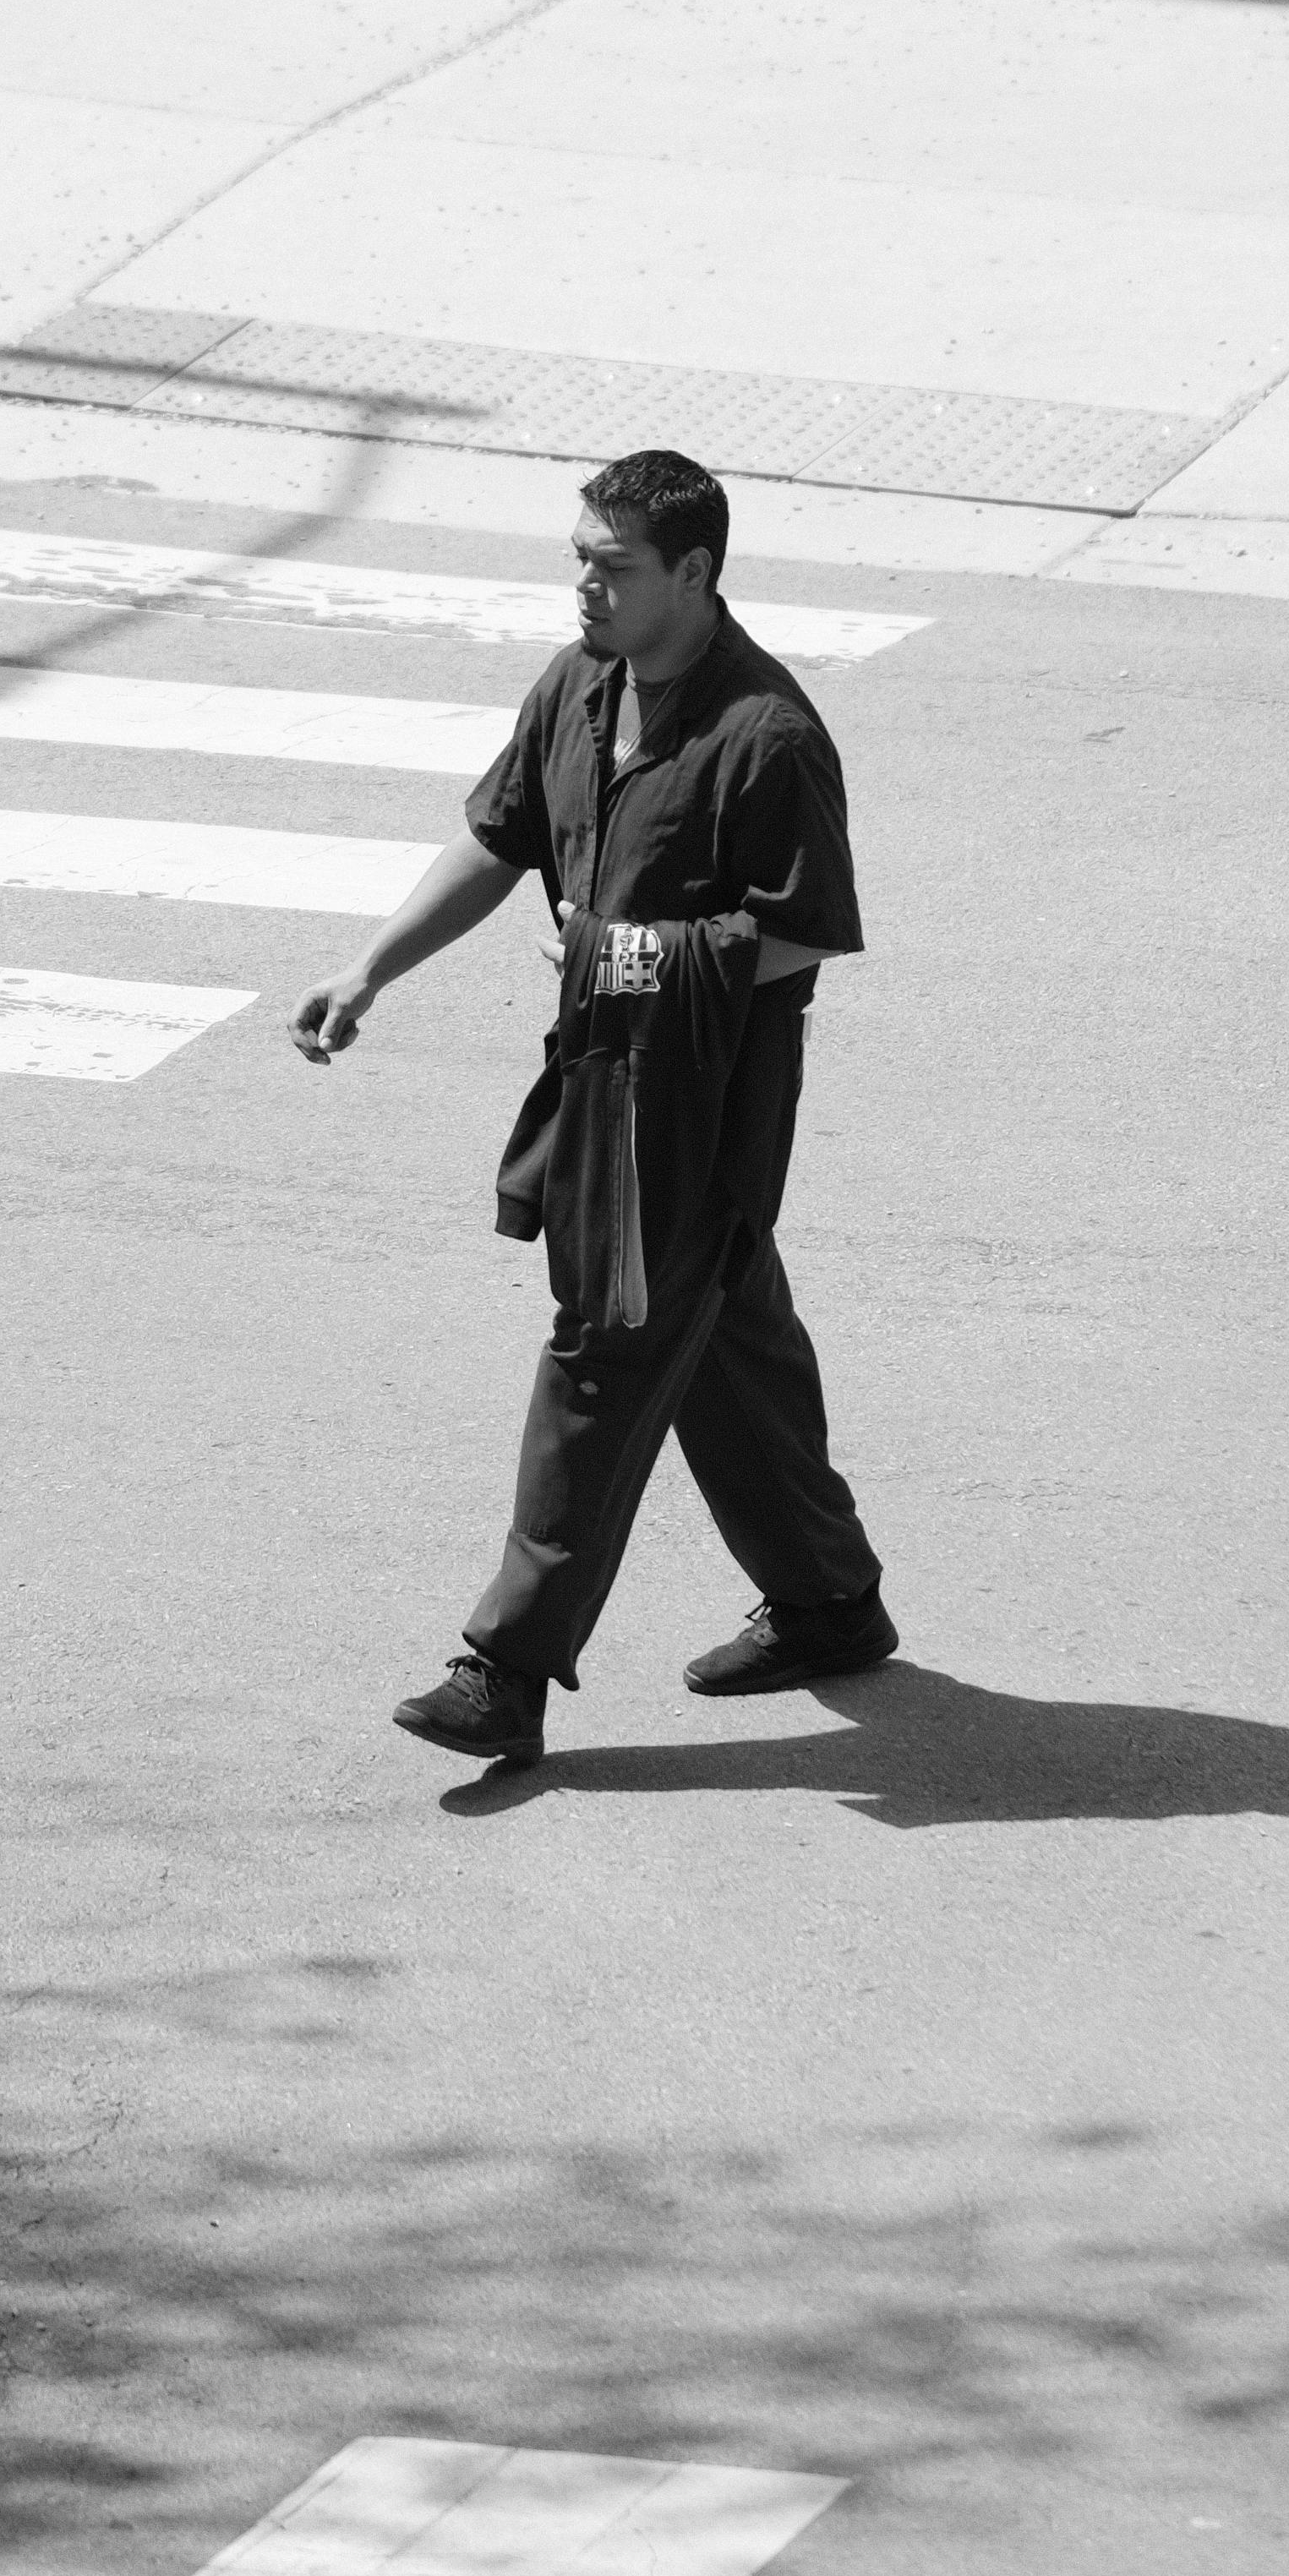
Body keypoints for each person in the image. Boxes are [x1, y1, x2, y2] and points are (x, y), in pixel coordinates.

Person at [289, 445, 896, 1771]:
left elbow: (806, 935)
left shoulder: (767, 736)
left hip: (690, 1111)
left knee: (605, 1352)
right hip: (596, 1079)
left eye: (614, 568)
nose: (586, 587)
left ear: (696, 574)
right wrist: (370, 967)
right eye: (579, 559)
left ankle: (503, 1669)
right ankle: (830, 1601)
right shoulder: (579, 686)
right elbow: (505, 839)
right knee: (722, 1338)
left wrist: (624, 957)